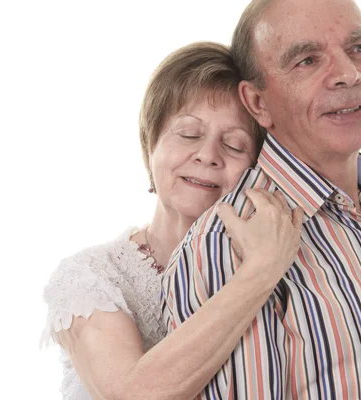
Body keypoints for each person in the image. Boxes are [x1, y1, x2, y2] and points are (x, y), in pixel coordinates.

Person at [161, 0, 361, 399]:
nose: (349, 74)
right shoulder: (226, 242)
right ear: (258, 103)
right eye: (307, 60)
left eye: (359, 48)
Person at [41, 42, 303, 400]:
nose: (208, 155)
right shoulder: (90, 276)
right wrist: (262, 271)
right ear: (152, 144)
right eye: (189, 134)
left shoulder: (282, 265)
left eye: (235, 145)